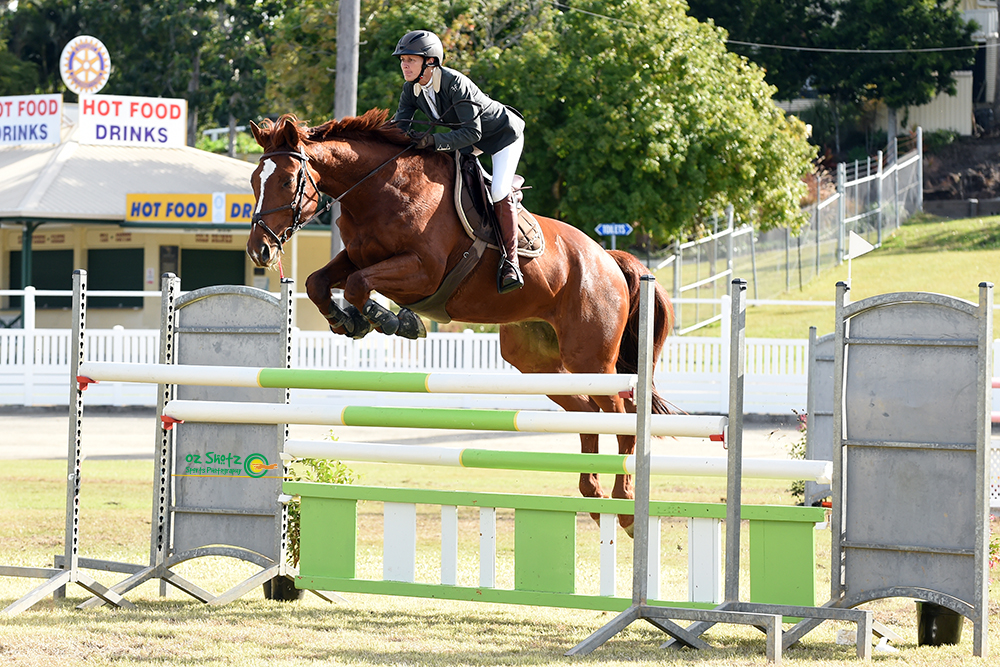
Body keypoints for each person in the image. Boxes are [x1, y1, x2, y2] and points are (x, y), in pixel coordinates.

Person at [391, 29, 526, 294]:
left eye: (410, 59)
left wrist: (432, 142)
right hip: (467, 140)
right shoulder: (412, 89)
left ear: (430, 62)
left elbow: (473, 133)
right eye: (402, 60)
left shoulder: (455, 84)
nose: (404, 65)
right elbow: (399, 127)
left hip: (501, 136)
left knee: (498, 191)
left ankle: (512, 262)